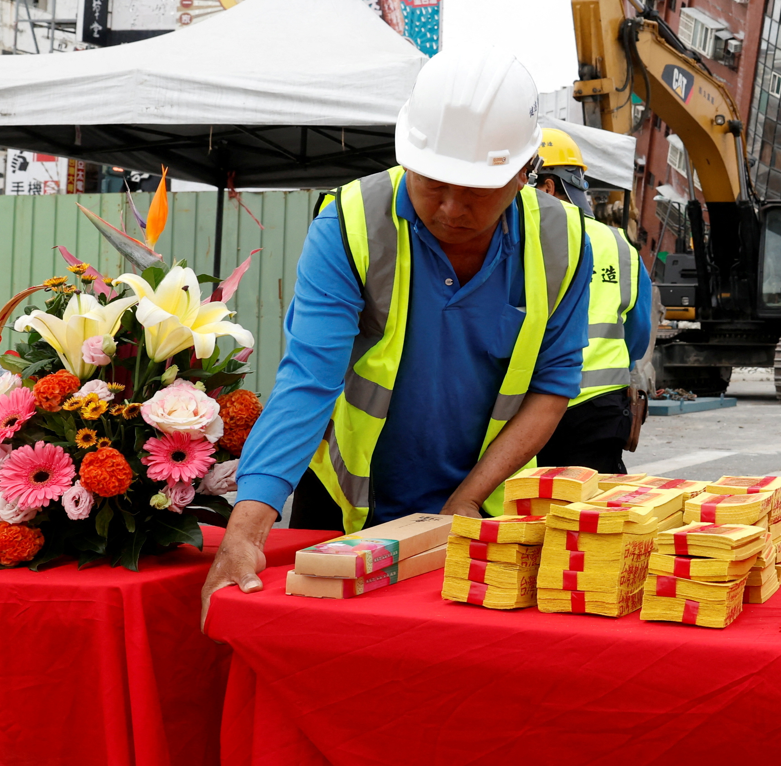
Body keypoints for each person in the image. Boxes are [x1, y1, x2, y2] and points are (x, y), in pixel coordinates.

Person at [200, 47, 593, 620]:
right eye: (433, 184)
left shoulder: (563, 242)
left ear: (522, 173)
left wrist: (466, 501)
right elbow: (309, 380)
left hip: (485, 502)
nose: (452, 209)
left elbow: (552, 387)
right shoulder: (352, 222)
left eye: (477, 190)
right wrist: (247, 528)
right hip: (344, 501)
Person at [526, 126, 652, 474]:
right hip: (600, 409)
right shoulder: (619, 246)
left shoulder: (518, 239)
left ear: (547, 186)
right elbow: (638, 332)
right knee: (595, 516)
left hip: (525, 404)